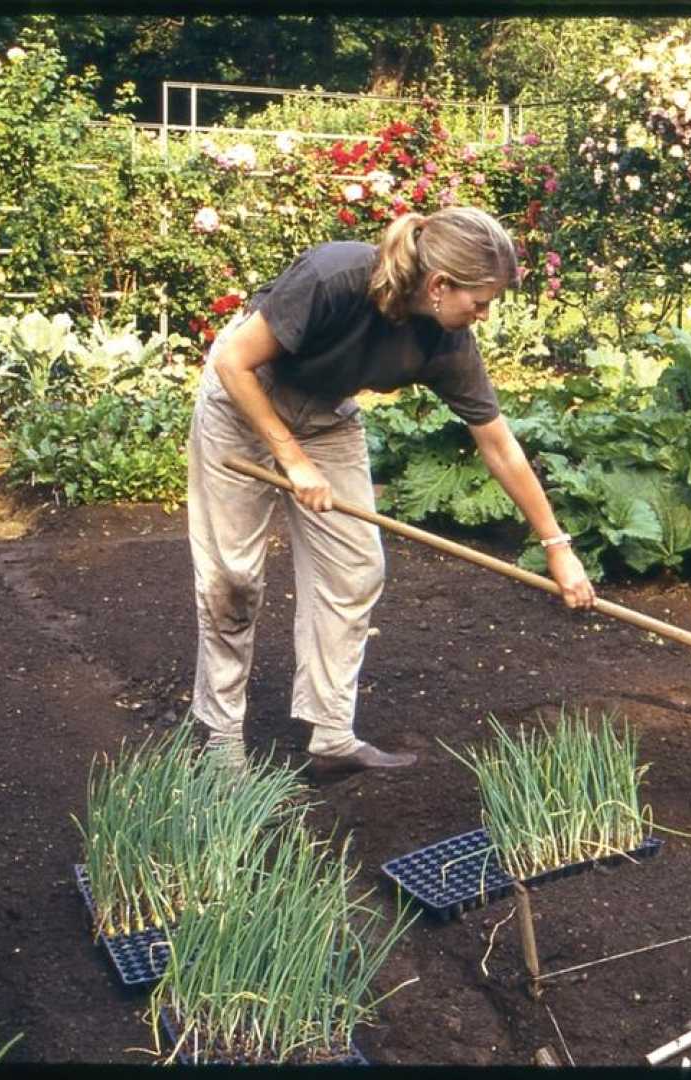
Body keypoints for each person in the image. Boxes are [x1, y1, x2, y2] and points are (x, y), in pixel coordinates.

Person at [186, 206, 595, 775]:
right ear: (438, 285)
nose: (483, 314)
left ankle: (330, 734)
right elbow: (235, 362)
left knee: (355, 569)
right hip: (243, 401)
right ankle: (223, 741)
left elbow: (500, 446)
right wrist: (292, 459)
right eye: (479, 301)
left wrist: (558, 547)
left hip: (325, 415)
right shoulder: (335, 278)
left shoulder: (447, 345)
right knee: (232, 579)